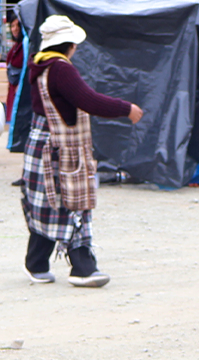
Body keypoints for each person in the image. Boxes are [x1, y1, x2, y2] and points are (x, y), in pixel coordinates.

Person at [20, 14, 142, 287]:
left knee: (49, 204)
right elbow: (88, 100)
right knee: (71, 204)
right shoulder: (61, 69)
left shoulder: (38, 66)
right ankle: (83, 268)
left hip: (41, 145)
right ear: (70, 45)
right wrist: (126, 109)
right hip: (60, 150)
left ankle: (36, 264)